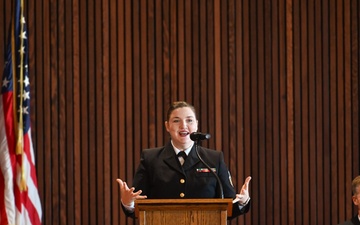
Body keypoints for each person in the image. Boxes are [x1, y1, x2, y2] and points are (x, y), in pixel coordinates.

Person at [116, 101, 252, 219]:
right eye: (176, 120)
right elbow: (137, 207)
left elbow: (229, 207)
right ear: (167, 126)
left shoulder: (213, 159)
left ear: (197, 125)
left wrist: (242, 202)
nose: (183, 125)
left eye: (189, 120)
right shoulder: (150, 159)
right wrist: (128, 203)